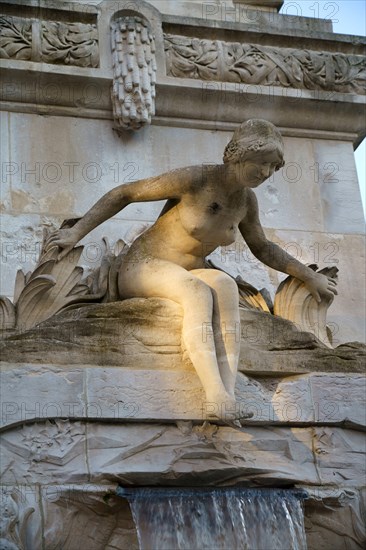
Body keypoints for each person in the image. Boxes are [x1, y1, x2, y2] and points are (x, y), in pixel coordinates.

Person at [46, 119, 337, 422]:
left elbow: (262, 247)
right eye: (261, 163)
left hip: (191, 268)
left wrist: (309, 275)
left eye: (273, 168)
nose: (265, 173)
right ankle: (214, 394)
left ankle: (227, 394)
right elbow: (126, 193)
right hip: (144, 265)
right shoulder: (197, 179)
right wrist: (76, 232)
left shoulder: (246, 201)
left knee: (225, 285)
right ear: (239, 154)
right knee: (196, 291)